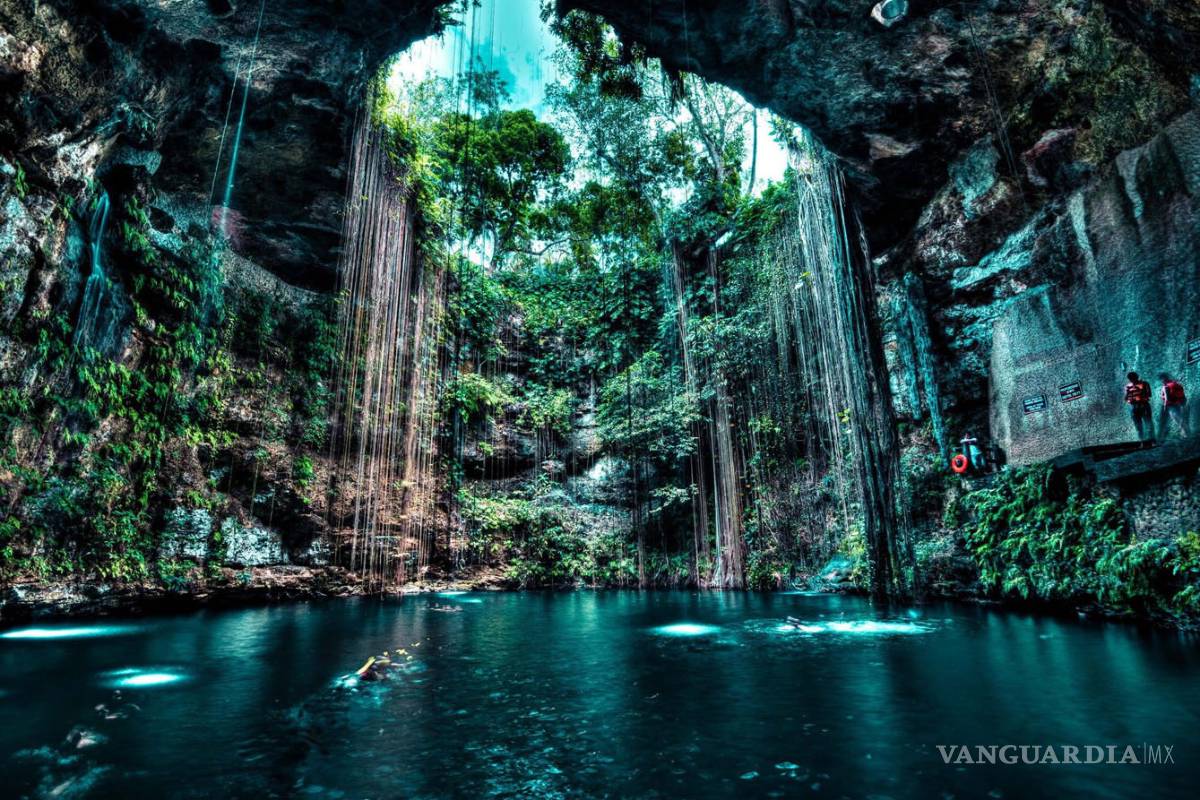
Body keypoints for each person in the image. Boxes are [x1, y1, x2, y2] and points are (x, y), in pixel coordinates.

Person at [1123, 371, 1154, 442]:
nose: (1132, 380)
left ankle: (1152, 439)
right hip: (1133, 407)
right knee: (1138, 425)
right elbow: (1125, 399)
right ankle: (1142, 440)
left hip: (1143, 405)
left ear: (1137, 377)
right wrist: (1127, 392)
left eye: (1133, 378)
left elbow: (1149, 394)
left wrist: (1139, 390)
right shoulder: (1127, 386)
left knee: (1148, 422)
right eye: (1130, 379)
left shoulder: (1145, 383)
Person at [1159, 373, 1191, 438]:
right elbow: (1182, 395)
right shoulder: (1175, 384)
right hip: (1178, 403)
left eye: (1161, 379)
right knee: (1180, 419)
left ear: (1163, 379)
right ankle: (1185, 434)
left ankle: (1187, 435)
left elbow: (1167, 398)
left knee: (1178, 420)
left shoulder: (1165, 386)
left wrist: (1165, 406)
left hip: (1171, 405)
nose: (1161, 381)